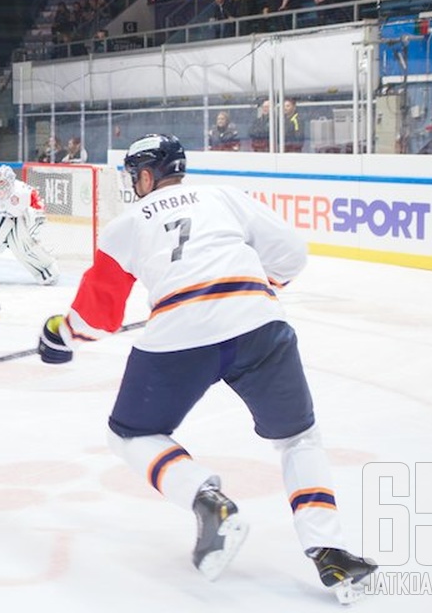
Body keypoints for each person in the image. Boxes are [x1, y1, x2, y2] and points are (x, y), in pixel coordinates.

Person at [36, 134, 376, 602]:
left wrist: (59, 334)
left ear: (148, 175)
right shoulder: (226, 197)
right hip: (258, 324)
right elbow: (292, 254)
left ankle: (206, 499)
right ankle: (332, 553)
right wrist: (258, 286)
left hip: (179, 335)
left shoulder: (128, 222)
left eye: (135, 175)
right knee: (299, 438)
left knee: (130, 434)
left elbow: (98, 319)